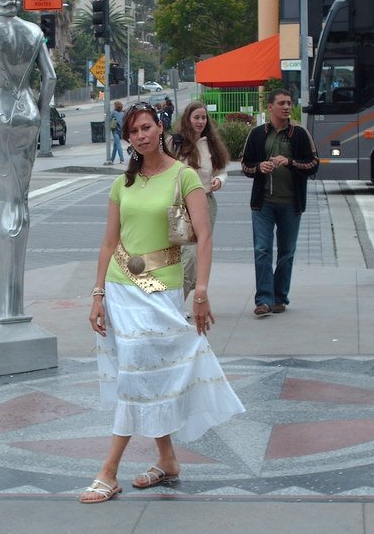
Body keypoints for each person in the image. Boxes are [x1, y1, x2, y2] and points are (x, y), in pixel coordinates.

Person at [81, 102, 244, 504]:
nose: (140, 136)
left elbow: (203, 238)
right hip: (121, 289)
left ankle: (108, 470)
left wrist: (201, 292)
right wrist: (97, 294)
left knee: (140, 374)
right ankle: (167, 460)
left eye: (146, 127)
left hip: (162, 289)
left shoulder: (184, 176)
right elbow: (108, 242)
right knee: (139, 373)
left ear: (160, 128)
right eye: (133, 131)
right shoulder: (124, 183)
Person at [0, 0, 56, 319]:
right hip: (27, 114)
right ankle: (14, 301)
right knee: (19, 200)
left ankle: (3, 307)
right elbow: (49, 77)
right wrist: (40, 111)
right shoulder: (34, 31)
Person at [241, 89, 319, 317]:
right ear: (271, 107)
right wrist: (259, 168)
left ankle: (280, 297)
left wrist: (290, 162)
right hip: (263, 203)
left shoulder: (300, 134)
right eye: (282, 103)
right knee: (262, 250)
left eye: (289, 103)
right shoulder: (257, 134)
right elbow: (246, 165)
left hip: (291, 204)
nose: (286, 107)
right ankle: (263, 300)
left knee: (286, 253)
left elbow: (314, 164)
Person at [173, 100, 229, 299]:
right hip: (181, 205)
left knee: (198, 254)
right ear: (188, 119)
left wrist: (219, 180)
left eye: (203, 117)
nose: (200, 121)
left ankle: (180, 301)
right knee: (186, 256)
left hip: (206, 202)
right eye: (196, 117)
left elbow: (222, 171)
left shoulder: (211, 144)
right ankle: (177, 304)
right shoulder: (177, 143)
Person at [107, 100, 124, 164]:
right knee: (115, 146)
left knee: (118, 145)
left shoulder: (113, 113)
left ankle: (121, 158)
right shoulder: (122, 113)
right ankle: (112, 159)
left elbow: (108, 119)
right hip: (121, 131)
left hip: (115, 131)